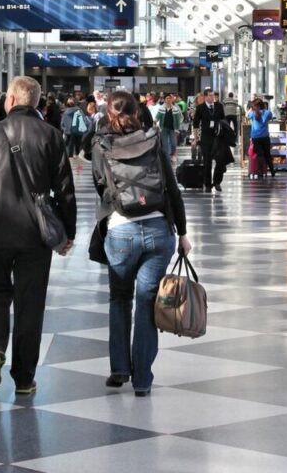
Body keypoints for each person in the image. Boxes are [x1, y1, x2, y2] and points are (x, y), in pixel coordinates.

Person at [0, 76, 77, 397]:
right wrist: (68, 232)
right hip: (35, 234)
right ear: (37, 102)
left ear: (10, 99)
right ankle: (24, 377)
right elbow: (65, 189)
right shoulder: (52, 136)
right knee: (30, 303)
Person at [90, 91, 191, 396]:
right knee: (148, 303)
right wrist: (183, 232)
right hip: (160, 230)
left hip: (121, 230)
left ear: (109, 115)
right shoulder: (153, 139)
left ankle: (119, 369)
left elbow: (99, 185)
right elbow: (171, 188)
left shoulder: (101, 144)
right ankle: (143, 380)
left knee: (120, 299)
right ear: (138, 112)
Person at [192, 89, 228, 193]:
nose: (213, 98)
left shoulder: (219, 106)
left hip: (218, 137)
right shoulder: (200, 108)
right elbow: (195, 124)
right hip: (206, 138)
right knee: (207, 161)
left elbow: (224, 120)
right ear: (206, 96)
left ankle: (217, 181)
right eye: (211, 96)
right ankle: (207, 184)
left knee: (220, 160)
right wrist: (196, 138)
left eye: (214, 96)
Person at [246, 98, 274, 179]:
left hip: (255, 137)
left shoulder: (252, 113)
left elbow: (247, 115)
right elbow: (271, 116)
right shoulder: (267, 113)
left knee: (260, 155)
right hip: (265, 137)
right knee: (267, 155)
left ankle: (260, 172)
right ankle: (272, 172)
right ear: (263, 105)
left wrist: (252, 108)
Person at [156, 93, 180, 159]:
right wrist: (155, 121)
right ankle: (166, 157)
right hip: (163, 128)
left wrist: (177, 129)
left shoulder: (175, 108)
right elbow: (157, 117)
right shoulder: (161, 108)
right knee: (165, 144)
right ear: (165, 100)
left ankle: (172, 154)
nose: (168, 99)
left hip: (173, 128)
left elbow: (178, 119)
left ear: (171, 99)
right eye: (167, 98)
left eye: (169, 98)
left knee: (173, 144)